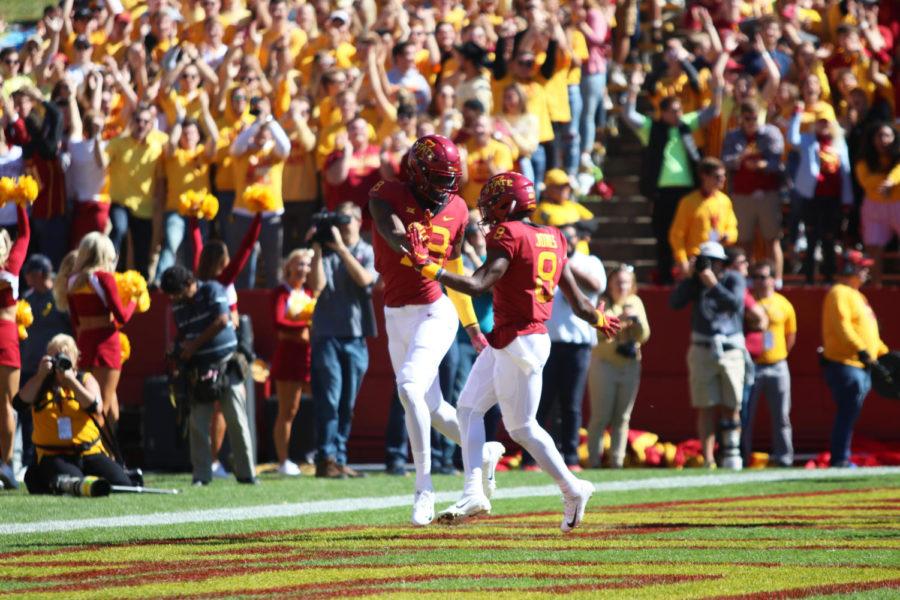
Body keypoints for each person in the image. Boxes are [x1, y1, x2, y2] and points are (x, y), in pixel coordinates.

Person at [405, 171, 620, 531]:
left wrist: (429, 268)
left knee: (521, 426)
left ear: (509, 204)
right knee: (468, 408)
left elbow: (478, 284)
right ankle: (473, 490)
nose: (487, 211)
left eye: (492, 203)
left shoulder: (508, 234)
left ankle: (572, 487)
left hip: (519, 340)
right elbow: (580, 302)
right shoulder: (553, 236)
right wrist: (598, 318)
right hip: (517, 339)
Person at [368, 134, 501, 526]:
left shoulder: (458, 207)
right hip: (395, 314)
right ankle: (485, 452)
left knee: (408, 387)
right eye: (437, 178)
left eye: (449, 178)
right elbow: (390, 229)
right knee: (433, 408)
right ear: (417, 172)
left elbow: (456, 272)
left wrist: (472, 326)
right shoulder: (386, 193)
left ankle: (423, 488)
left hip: (434, 311)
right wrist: (408, 248)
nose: (445, 188)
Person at [624, 66, 724, 283]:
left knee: (687, 233)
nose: (679, 114)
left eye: (680, 110)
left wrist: (717, 89)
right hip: (661, 192)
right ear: (663, 112)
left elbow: (713, 111)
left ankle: (690, 274)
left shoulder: (686, 124)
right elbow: (629, 115)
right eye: (674, 111)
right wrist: (633, 87)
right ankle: (666, 275)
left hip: (687, 191)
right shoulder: (651, 128)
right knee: (663, 234)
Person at [160, 265, 256, 485]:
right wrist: (177, 348)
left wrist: (192, 346)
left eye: (177, 293)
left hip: (226, 364)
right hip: (199, 369)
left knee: (236, 419)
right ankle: (201, 475)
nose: (174, 298)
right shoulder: (178, 306)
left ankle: (246, 473)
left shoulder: (212, 289)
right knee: (198, 423)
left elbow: (222, 320)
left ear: (188, 284)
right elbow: (183, 333)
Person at [523, 224, 606, 471]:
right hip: (548, 341)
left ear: (579, 240)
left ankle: (570, 458)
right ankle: (531, 459)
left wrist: (565, 264)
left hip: (578, 344)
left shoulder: (591, 262)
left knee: (571, 403)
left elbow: (595, 286)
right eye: (562, 238)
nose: (566, 242)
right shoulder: (545, 260)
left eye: (570, 238)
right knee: (541, 401)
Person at [308, 202, 376, 479]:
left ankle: (340, 457)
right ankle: (326, 457)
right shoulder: (325, 251)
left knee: (347, 403)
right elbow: (316, 286)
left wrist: (342, 249)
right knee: (330, 398)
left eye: (346, 219)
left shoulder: (367, 251)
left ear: (360, 221)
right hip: (326, 334)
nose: (342, 224)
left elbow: (364, 280)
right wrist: (315, 249)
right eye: (338, 219)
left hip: (356, 336)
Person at [18, 334, 131, 495]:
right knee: (77, 483)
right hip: (54, 455)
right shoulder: (40, 384)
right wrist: (41, 375)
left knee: (123, 484)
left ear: (75, 359)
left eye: (64, 358)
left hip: (88, 452)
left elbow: (95, 407)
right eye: (54, 357)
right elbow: (19, 403)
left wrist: (71, 381)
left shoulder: (84, 380)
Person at [670, 241, 746, 470]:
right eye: (705, 262)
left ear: (722, 263)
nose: (709, 266)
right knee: (705, 404)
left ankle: (732, 454)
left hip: (730, 348)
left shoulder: (733, 279)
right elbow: (674, 303)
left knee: (731, 404)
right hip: (702, 346)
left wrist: (711, 282)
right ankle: (708, 458)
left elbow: (734, 304)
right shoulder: (694, 283)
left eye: (713, 262)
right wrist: (691, 277)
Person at [54, 234, 133, 427]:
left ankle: (111, 453)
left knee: (104, 406)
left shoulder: (72, 281)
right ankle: (95, 454)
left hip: (84, 345)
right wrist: (133, 300)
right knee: (100, 409)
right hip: (106, 345)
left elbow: (76, 323)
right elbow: (122, 317)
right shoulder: (104, 278)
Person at [821, 250, 888, 468]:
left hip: (861, 363)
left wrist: (884, 354)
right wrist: (861, 350)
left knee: (850, 413)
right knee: (847, 412)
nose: (867, 271)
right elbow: (843, 326)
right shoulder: (839, 293)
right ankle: (840, 458)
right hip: (847, 363)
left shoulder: (858, 296)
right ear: (849, 268)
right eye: (862, 267)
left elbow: (870, 333)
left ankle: (842, 456)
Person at [587, 264, 650, 469]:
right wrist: (619, 321)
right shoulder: (602, 302)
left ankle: (617, 462)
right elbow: (595, 336)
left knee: (622, 417)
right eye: (618, 282)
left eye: (626, 282)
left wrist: (637, 322)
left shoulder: (635, 302)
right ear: (610, 284)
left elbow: (644, 336)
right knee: (600, 416)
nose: (622, 286)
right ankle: (594, 461)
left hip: (630, 365)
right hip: (604, 364)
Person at [721, 101, 786, 287]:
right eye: (747, 118)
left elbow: (780, 164)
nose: (751, 122)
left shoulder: (771, 133)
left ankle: (777, 279)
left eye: (754, 118)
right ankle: (746, 280)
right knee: (744, 240)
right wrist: (740, 159)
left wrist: (762, 165)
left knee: (772, 239)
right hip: (742, 195)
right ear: (741, 118)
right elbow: (725, 161)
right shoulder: (733, 136)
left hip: (768, 194)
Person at [17, 255, 71, 474]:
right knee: (27, 414)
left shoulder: (58, 296)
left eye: (30, 273)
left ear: (40, 273)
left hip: (55, 368)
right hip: (30, 366)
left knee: (56, 411)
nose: (26, 277)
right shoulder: (27, 298)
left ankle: (58, 456)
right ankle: (28, 460)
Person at [787, 109, 853, 284]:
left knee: (829, 239)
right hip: (812, 198)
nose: (824, 125)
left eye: (827, 122)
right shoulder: (808, 141)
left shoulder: (839, 143)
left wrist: (847, 199)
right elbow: (792, 139)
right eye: (820, 122)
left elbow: (845, 172)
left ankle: (829, 276)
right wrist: (797, 116)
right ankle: (809, 278)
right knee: (811, 238)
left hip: (832, 199)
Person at [743, 261, 796, 467]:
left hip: (777, 365)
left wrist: (779, 354)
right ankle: (742, 456)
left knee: (782, 415)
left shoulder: (783, 304)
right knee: (746, 415)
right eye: (755, 277)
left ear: (773, 279)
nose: (759, 281)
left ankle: (784, 457)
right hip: (752, 364)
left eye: (764, 277)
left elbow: (790, 335)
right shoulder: (748, 301)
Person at [106, 104, 167, 279]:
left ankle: (141, 287)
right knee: (119, 229)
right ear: (132, 122)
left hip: (144, 207)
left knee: (142, 251)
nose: (141, 125)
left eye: (146, 122)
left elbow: (161, 179)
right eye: (138, 120)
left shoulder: (157, 147)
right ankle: (110, 271)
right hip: (120, 202)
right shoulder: (118, 143)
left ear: (151, 125)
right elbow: (101, 161)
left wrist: (159, 207)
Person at [270, 249, 315, 477]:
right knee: (287, 411)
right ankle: (283, 460)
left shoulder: (308, 291)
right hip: (289, 358)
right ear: (288, 266)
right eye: (299, 264)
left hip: (309, 358)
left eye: (307, 265)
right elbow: (279, 322)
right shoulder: (281, 292)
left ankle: (320, 454)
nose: (304, 268)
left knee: (321, 405)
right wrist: (305, 328)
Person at [0, 200, 30, 489]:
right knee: (7, 405)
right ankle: (6, 466)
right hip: (7, 335)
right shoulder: (12, 265)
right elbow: (25, 234)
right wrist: (20, 201)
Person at [668, 158, 739, 277]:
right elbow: (677, 234)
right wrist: (682, 260)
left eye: (724, 176)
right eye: (717, 176)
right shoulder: (688, 202)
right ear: (704, 176)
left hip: (719, 258)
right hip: (696, 258)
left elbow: (733, 228)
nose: (722, 179)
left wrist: (728, 236)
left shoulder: (725, 201)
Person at [855, 123, 899, 286]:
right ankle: (876, 286)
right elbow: (866, 181)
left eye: (887, 136)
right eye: (880, 136)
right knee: (874, 248)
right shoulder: (864, 160)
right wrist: (885, 182)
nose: (883, 140)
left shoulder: (897, 157)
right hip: (873, 207)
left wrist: (891, 181)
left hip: (897, 204)